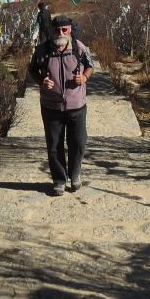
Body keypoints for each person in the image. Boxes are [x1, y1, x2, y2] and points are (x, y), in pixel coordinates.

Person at [28, 14, 93, 195]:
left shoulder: (79, 48)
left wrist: (85, 77)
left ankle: (75, 174)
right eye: (57, 30)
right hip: (51, 107)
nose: (61, 33)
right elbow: (32, 69)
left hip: (77, 105)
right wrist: (41, 81)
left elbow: (90, 65)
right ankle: (59, 179)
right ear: (52, 30)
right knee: (54, 145)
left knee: (79, 143)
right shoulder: (42, 50)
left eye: (64, 29)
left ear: (70, 30)